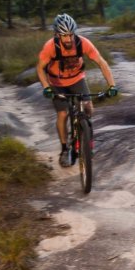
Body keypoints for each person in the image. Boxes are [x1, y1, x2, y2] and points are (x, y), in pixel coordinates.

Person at [37, 13, 119, 166]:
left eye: (70, 34)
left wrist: (112, 85)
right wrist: (46, 87)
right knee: (63, 113)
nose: (68, 39)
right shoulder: (50, 47)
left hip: (77, 79)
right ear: (57, 34)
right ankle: (64, 149)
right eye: (64, 35)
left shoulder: (83, 43)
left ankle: (87, 140)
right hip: (57, 83)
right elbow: (40, 69)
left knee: (88, 107)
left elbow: (102, 63)